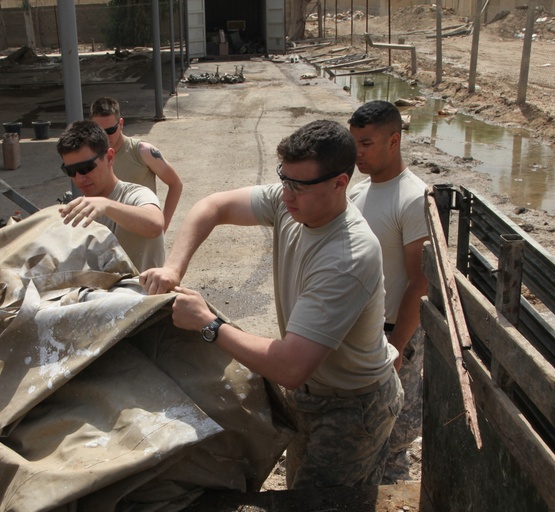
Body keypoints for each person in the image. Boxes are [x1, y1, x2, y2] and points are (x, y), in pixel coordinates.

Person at [140, 120, 403, 489]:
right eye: (284, 181)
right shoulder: (295, 203)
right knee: (300, 496)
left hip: (351, 408)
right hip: (309, 394)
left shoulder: (347, 256)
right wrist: (173, 268)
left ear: (339, 183)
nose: (287, 195)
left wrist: (209, 324)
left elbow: (290, 366)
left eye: (299, 186)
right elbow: (212, 206)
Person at [348, 100, 430, 482]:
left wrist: (398, 347)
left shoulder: (414, 197)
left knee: (394, 436)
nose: (357, 153)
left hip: (396, 334)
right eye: (354, 144)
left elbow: (421, 281)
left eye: (366, 144)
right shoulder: (358, 193)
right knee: (360, 429)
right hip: (360, 332)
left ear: (394, 141)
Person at [56, 120, 166, 272]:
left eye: (85, 168)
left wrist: (106, 205)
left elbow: (155, 226)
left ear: (109, 157)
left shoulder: (135, 195)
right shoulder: (79, 210)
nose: (79, 178)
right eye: (71, 171)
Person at [89, 96, 183, 230]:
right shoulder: (91, 157)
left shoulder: (143, 151)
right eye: (100, 131)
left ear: (121, 124)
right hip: (107, 238)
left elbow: (175, 184)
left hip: (141, 233)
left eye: (110, 130)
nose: (105, 137)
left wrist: (162, 226)